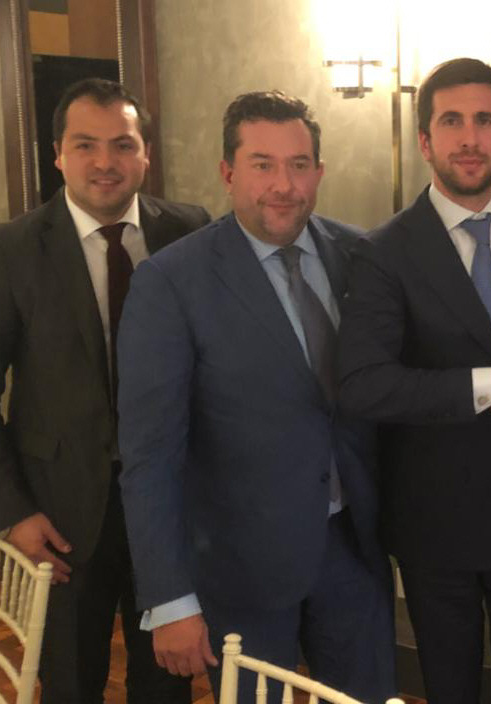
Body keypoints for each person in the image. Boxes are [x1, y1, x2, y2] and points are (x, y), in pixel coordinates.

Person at [116, 92, 395, 702]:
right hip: (240, 570)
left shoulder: (361, 255)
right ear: (228, 172)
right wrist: (169, 598)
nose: (283, 185)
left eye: (299, 165)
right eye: (263, 164)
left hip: (353, 550)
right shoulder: (171, 281)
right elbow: (149, 455)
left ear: (319, 171)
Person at [337, 58, 491, 704]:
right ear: (424, 140)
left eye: (484, 121)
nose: (469, 138)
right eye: (451, 122)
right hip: (435, 522)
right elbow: (365, 384)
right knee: (449, 691)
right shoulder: (384, 250)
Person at [0, 78, 208, 704]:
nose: (105, 162)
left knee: (168, 684)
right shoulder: (8, 251)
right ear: (58, 155)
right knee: (70, 684)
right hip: (61, 520)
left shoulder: (191, 231)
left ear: (146, 153)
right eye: (85, 145)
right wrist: (13, 512)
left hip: (171, 510)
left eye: (123, 144)